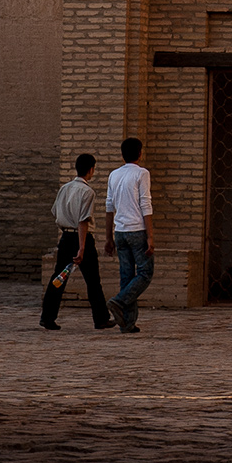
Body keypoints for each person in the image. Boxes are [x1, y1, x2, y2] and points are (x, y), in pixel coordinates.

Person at [40, 153, 113, 331]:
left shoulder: (64, 188)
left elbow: (55, 212)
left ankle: (47, 316)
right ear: (91, 169)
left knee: (58, 278)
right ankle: (101, 318)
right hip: (82, 240)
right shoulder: (88, 192)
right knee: (93, 281)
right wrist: (81, 248)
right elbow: (83, 221)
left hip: (65, 237)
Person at [105, 136, 155, 333]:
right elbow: (145, 204)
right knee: (145, 273)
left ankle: (128, 323)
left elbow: (109, 206)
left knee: (126, 276)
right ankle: (118, 301)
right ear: (140, 154)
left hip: (120, 231)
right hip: (136, 230)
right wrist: (150, 236)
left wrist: (108, 237)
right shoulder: (142, 174)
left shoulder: (114, 175)